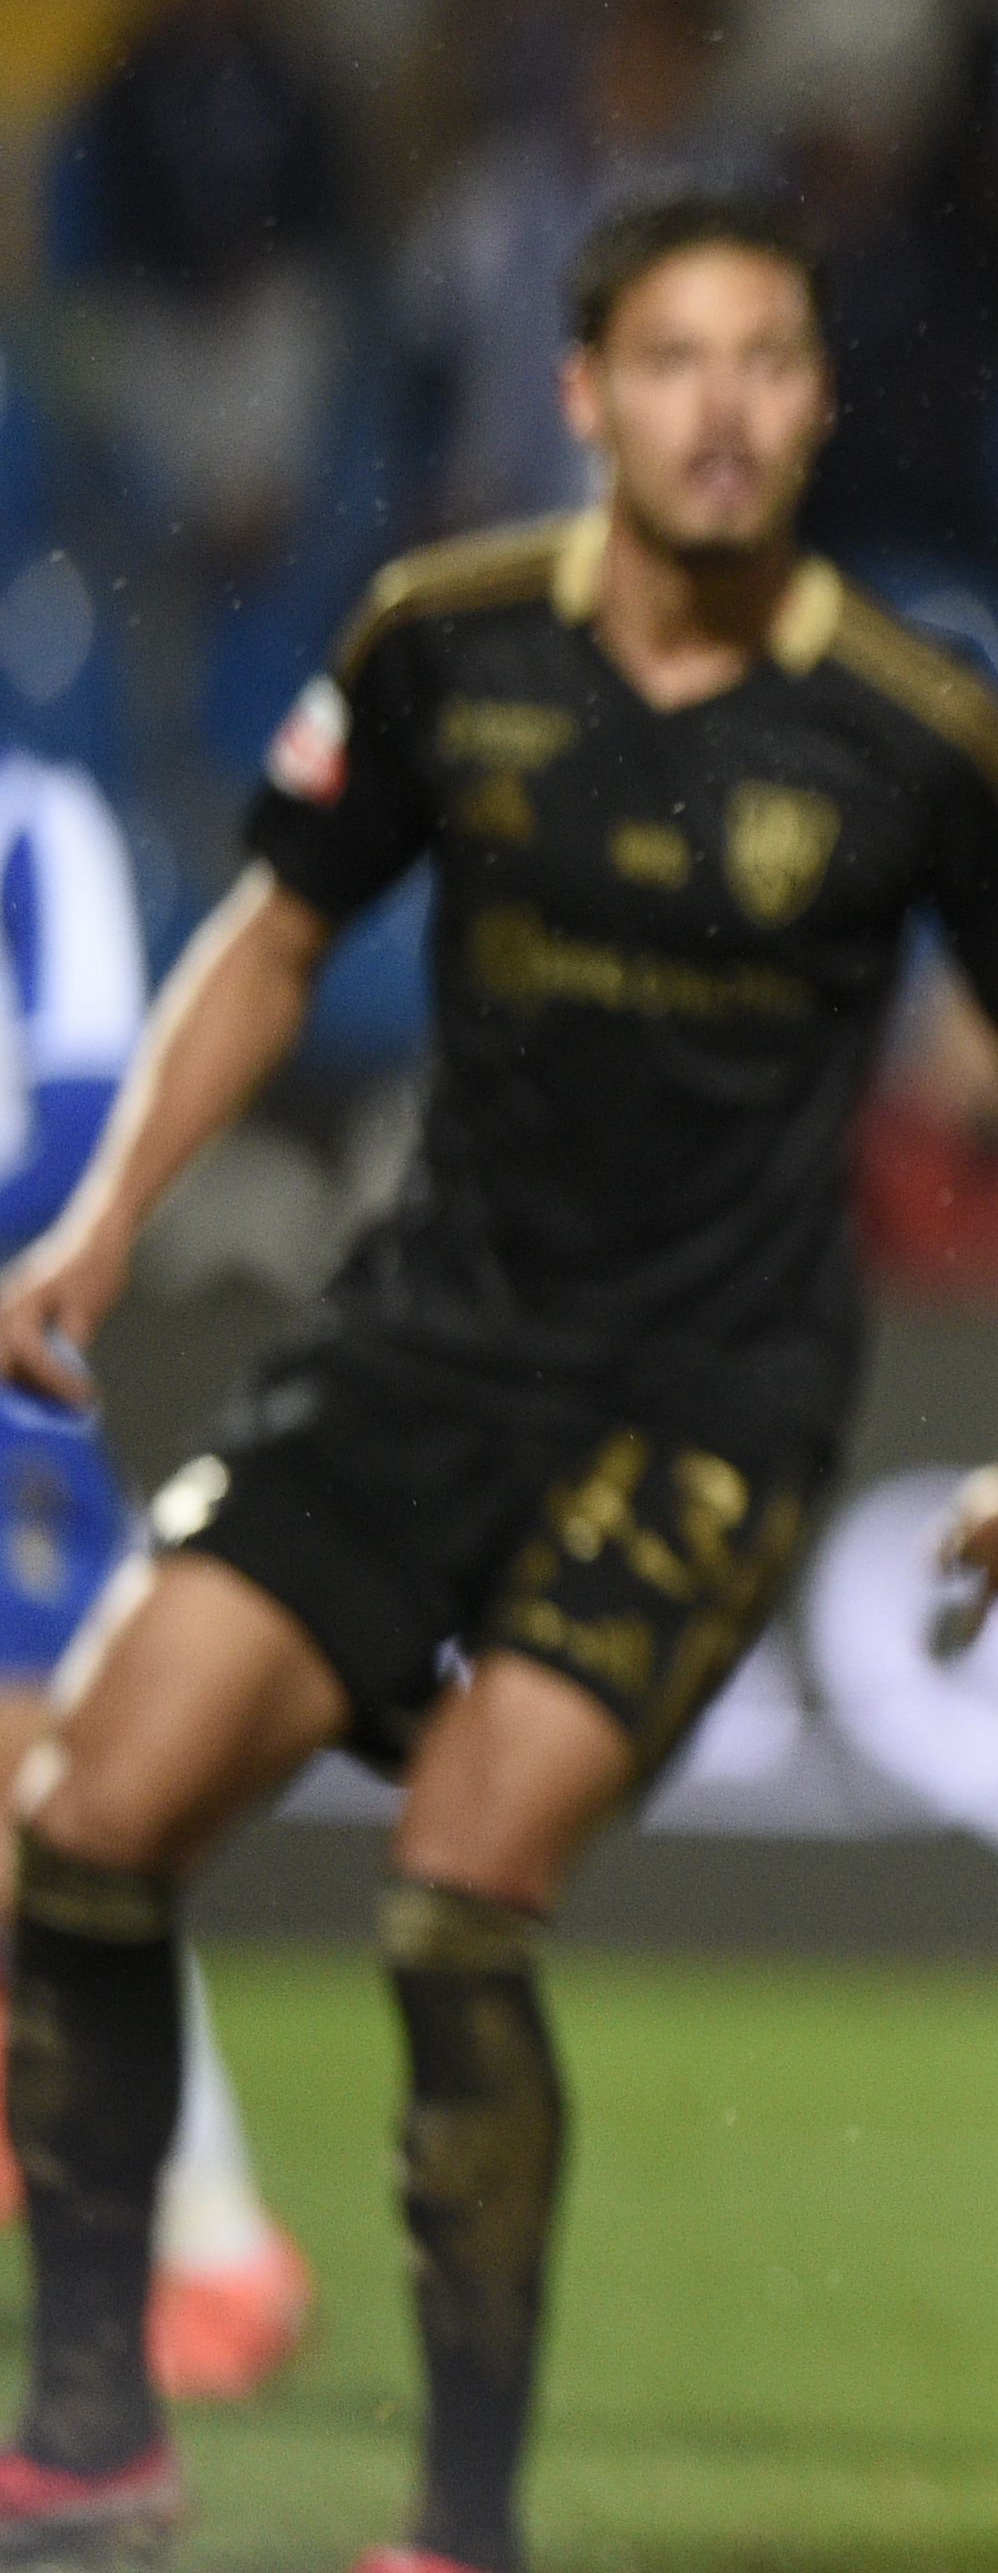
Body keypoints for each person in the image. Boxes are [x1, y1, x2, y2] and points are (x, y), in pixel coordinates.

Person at [0, 190, 998, 2573]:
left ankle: (459, 2524)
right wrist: (102, 1221)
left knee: (453, 1901)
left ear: (819, 405)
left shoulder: (921, 729)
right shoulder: (442, 641)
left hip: (708, 1403)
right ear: (584, 394)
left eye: (764, 364)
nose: (717, 410)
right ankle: (92, 2424)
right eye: (670, 362)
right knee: (87, 1824)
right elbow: (277, 927)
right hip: (417, 1346)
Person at [0, 748, 313, 2404]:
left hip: (1, 1387)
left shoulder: (36, 823)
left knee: (48, 1809)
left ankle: (216, 2241)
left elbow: (84, 1118)